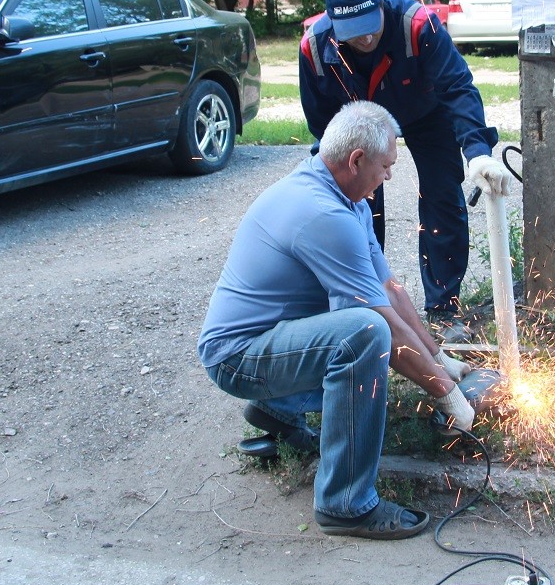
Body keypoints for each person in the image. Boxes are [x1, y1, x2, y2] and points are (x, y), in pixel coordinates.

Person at [198, 102, 477, 540]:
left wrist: (439, 357)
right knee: (363, 334)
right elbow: (377, 317)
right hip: (236, 357)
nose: (389, 177)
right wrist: (446, 394)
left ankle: (278, 407)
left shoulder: (345, 197)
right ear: (356, 160)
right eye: (386, 166)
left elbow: (388, 289)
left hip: (271, 339)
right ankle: (345, 504)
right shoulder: (322, 214)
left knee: (364, 323)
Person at [299, 0, 511, 340]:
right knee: (356, 205)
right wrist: (333, 174)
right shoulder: (315, 47)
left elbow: (458, 87)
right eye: (354, 31)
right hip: (359, 123)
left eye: (371, 27)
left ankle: (444, 310)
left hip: (426, 114)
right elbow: (322, 122)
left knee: (442, 197)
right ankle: (364, 300)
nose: (365, 38)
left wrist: (476, 151)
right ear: (334, 24)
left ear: (382, 8)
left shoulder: (417, 25)